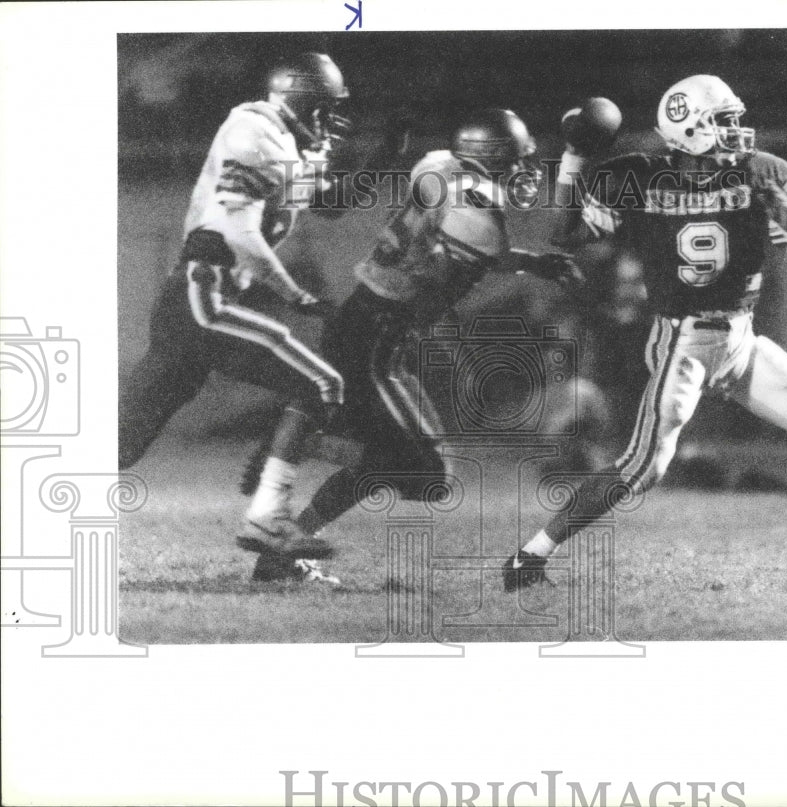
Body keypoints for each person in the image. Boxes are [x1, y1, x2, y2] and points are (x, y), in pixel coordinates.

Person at [503, 75, 787, 593]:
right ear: (688, 128)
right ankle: (529, 558)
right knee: (643, 468)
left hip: (740, 339)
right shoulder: (640, 177)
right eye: (723, 121)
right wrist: (573, 158)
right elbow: (564, 235)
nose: (736, 131)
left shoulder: (762, 174)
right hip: (683, 340)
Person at [241, 108, 584, 582]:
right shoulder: (479, 219)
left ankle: (280, 551)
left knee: (388, 463)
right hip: (379, 340)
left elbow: (465, 241)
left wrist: (531, 263)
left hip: (362, 319)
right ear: (493, 158)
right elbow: (451, 275)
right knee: (425, 473)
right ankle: (301, 443)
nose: (523, 171)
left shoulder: (438, 165)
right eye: (515, 160)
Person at [119, 53, 354, 560]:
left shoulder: (289, 142)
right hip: (204, 294)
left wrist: (379, 157)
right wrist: (294, 293)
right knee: (320, 383)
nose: (330, 120)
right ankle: (268, 517)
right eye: (325, 109)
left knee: (119, 441)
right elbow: (237, 230)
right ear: (305, 103)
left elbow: (332, 206)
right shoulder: (253, 132)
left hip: (199, 298)